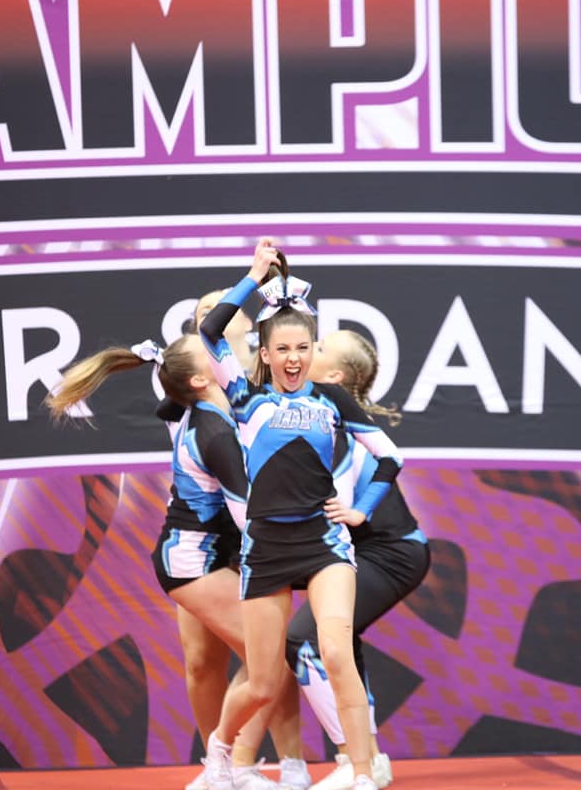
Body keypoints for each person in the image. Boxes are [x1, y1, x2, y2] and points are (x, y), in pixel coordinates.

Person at [45, 332, 309, 790]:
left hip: (199, 558)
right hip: (193, 563)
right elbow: (251, 518)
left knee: (269, 666)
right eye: (217, 351)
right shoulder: (213, 430)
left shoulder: (201, 411)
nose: (229, 353)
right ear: (202, 378)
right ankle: (225, 767)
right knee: (268, 668)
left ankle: (227, 766)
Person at [198, 238, 404, 790]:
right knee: (264, 684)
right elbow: (210, 332)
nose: (293, 358)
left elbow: (391, 456)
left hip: (324, 545)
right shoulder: (243, 397)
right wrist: (252, 275)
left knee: (336, 650)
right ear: (264, 353)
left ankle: (362, 775)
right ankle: (220, 751)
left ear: (313, 350)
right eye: (283, 348)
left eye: (303, 347)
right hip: (264, 549)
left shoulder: (333, 402)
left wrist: (360, 510)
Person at [287, 330, 431, 790]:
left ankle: (354, 758)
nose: (305, 351)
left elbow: (332, 502)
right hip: (359, 551)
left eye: (318, 348)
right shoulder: (307, 414)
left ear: (334, 376)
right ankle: (370, 759)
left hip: (392, 553)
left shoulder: (339, 425)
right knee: (337, 644)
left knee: (304, 640)